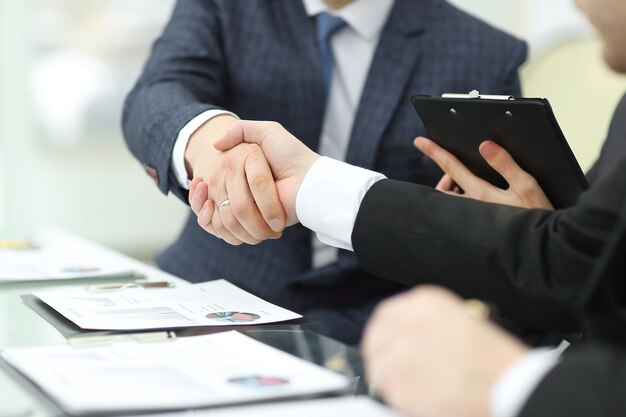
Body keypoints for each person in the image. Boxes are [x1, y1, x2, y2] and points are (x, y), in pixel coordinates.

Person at [122, 0, 528, 344]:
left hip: (378, 329)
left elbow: (489, 233)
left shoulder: (483, 52)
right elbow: (156, 91)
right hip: (213, 299)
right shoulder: (226, 7)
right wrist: (211, 143)